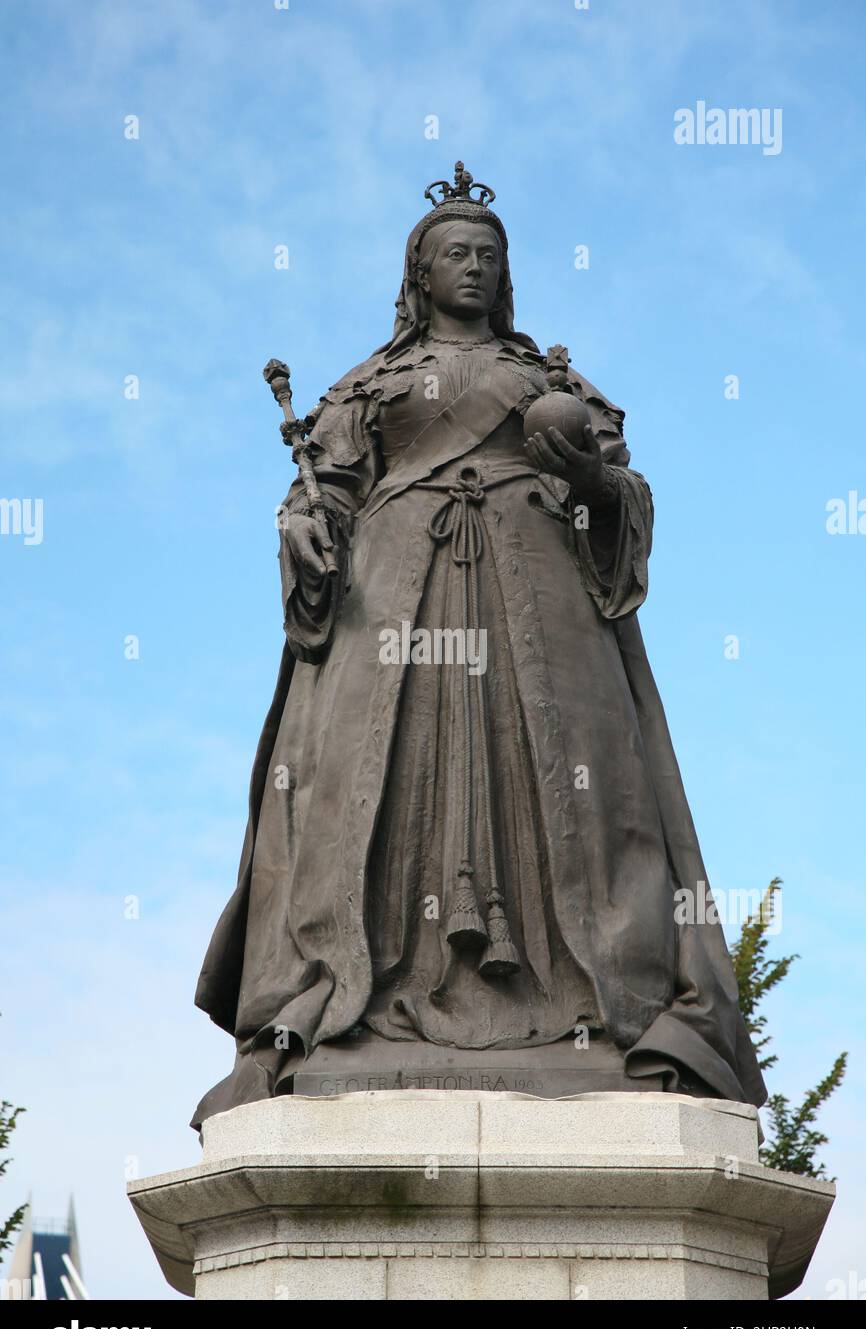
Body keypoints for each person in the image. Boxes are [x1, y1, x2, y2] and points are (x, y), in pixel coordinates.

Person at [191, 163, 767, 1128]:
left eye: (489, 257)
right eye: (456, 253)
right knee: (364, 779)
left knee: (585, 781)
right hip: (395, 597)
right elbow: (327, 491)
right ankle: (357, 1002)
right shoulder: (366, 385)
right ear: (419, 274)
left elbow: (623, 500)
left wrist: (582, 468)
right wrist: (307, 524)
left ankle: (595, 1006)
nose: (474, 267)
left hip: (535, 595)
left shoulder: (553, 381)